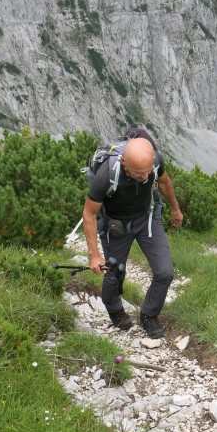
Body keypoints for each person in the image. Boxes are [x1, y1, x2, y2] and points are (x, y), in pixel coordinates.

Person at [82, 136, 183, 338]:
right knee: (114, 272)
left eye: (147, 172)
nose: (145, 177)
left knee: (165, 272)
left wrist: (175, 209)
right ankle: (114, 309)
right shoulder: (108, 174)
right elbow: (89, 214)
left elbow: (164, 182)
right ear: (124, 163)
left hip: (147, 220)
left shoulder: (155, 161)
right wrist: (94, 255)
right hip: (116, 226)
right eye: (139, 173)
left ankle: (149, 314)